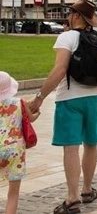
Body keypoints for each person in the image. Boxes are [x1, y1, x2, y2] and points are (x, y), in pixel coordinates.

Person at [28, 0, 97, 213]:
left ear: (75, 16)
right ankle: (87, 189)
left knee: (71, 147)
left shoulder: (67, 37)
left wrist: (39, 97)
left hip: (69, 98)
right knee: (91, 143)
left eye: (70, 13)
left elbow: (59, 70)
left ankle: (72, 198)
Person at [1, 71, 40, 214]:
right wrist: (38, 112)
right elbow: (31, 118)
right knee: (13, 193)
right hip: (15, 151)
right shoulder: (20, 102)